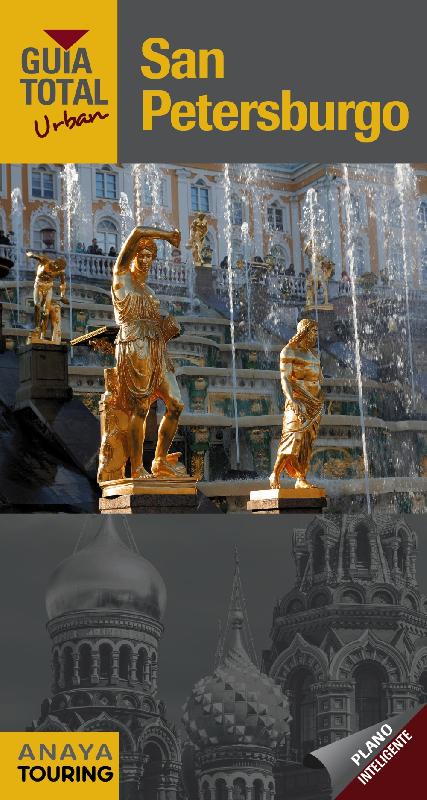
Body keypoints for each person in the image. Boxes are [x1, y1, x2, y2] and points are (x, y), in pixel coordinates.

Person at [111, 225, 187, 480]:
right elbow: (136, 232)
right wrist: (167, 236)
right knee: (141, 408)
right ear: (132, 255)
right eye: (141, 255)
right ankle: (136, 468)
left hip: (156, 348)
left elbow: (154, 327)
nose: (145, 261)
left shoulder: (150, 292)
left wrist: (168, 330)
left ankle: (159, 461)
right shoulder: (121, 275)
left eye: (150, 257)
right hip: (134, 346)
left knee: (176, 403)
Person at [270, 318, 323, 490]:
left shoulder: (314, 354)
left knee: (307, 443)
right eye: (313, 331)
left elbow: (318, 378)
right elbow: (285, 379)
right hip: (298, 401)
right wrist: (292, 400)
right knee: (293, 437)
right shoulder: (289, 351)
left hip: (315, 403)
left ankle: (301, 478)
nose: (316, 335)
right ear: (304, 332)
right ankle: (275, 473)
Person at [25, 251, 69, 340]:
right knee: (37, 305)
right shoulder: (45, 261)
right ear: (55, 263)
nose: (56, 270)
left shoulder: (60, 271)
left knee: (46, 312)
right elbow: (36, 256)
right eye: (57, 268)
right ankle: (37, 327)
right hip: (39, 285)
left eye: (59, 269)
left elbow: (62, 284)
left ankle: (42, 335)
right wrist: (29, 254)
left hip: (48, 288)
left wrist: (62, 296)